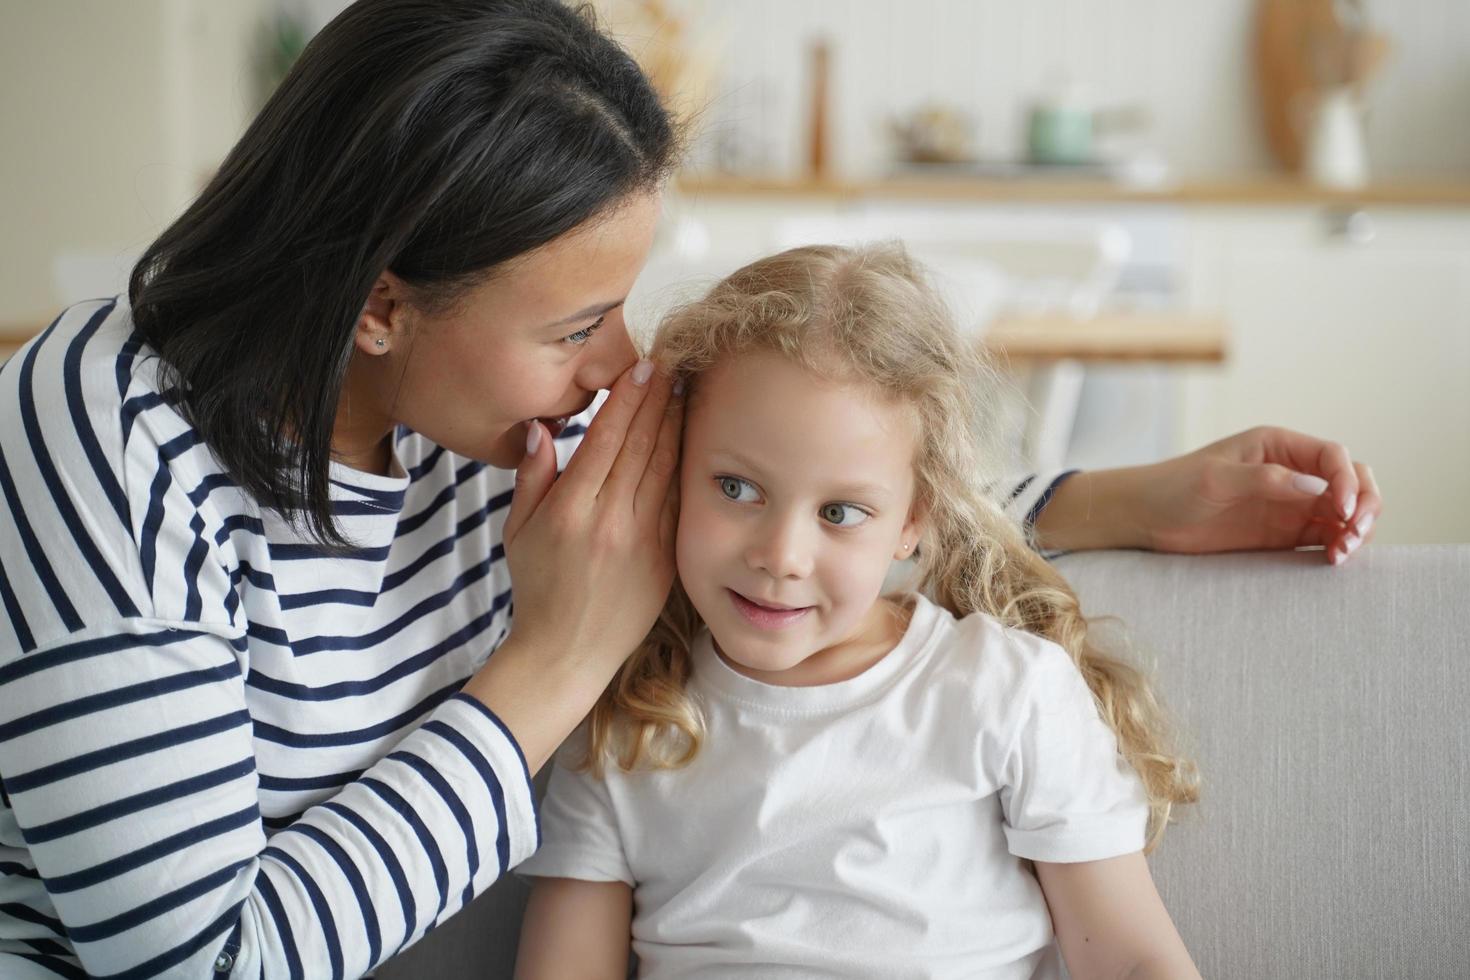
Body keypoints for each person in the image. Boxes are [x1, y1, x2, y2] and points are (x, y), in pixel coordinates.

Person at [0, 0, 1377, 976]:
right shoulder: (109, 438)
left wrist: (1123, 501)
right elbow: (188, 961)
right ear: (378, 306)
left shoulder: (458, 423)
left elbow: (794, 502)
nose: (614, 367)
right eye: (569, 325)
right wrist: (555, 664)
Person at [514, 243, 1202, 979]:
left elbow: (1133, 962)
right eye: (737, 488)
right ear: (676, 470)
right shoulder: (623, 724)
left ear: (915, 518)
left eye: (840, 512)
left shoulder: (1004, 690)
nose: (782, 555)